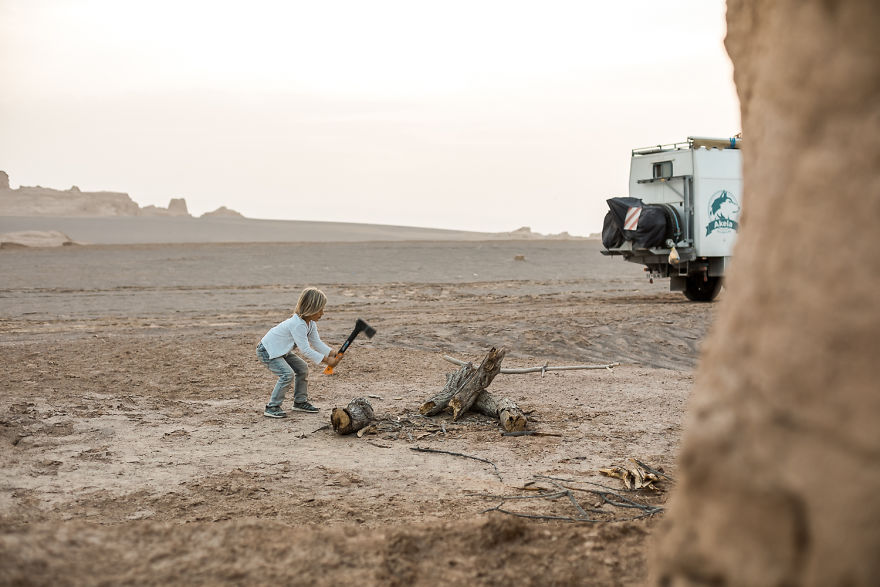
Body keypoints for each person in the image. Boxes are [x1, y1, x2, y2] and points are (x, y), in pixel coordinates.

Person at [256, 287, 339, 418]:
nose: (322, 313)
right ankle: (272, 406)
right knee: (286, 374)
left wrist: (332, 352)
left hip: (282, 351)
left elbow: (316, 342)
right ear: (311, 309)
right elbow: (305, 349)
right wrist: (327, 360)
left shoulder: (310, 323)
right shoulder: (298, 324)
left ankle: (300, 402)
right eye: (320, 309)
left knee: (302, 368)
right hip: (267, 350)